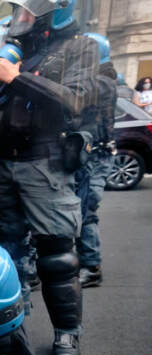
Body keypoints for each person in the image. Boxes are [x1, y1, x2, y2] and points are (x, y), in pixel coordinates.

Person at [0, 0, 99, 355]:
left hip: (43, 162)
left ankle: (67, 332)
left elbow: (75, 100)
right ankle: (12, 327)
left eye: (29, 12)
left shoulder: (80, 47)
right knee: (8, 251)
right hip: (3, 163)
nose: (21, 19)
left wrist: (16, 77)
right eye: (19, 12)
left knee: (57, 255)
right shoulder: (17, 48)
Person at [75, 33, 118, 288]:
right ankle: (86, 261)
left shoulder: (101, 83)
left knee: (87, 212)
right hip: (91, 155)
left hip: (96, 157)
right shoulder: (103, 81)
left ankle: (92, 266)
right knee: (82, 210)